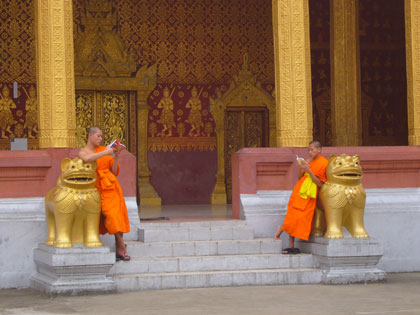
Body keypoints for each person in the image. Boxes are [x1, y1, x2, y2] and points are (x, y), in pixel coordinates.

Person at [79, 126, 131, 261]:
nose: (100, 139)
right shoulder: (83, 152)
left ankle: (120, 246)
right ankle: (120, 246)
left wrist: (115, 157)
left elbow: (114, 171)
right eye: (98, 136)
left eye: (102, 136)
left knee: (115, 216)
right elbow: (87, 159)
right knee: (105, 217)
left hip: (110, 187)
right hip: (94, 188)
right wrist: (106, 152)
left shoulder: (105, 151)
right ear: (90, 136)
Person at [274, 141, 328, 254]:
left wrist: (309, 171)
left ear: (319, 150)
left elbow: (320, 183)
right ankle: (291, 245)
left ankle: (282, 229)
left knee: (301, 217)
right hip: (299, 190)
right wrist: (301, 168)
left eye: (312, 149)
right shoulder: (307, 161)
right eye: (308, 150)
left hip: (310, 193)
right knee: (293, 214)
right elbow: (299, 177)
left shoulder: (324, 163)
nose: (310, 152)